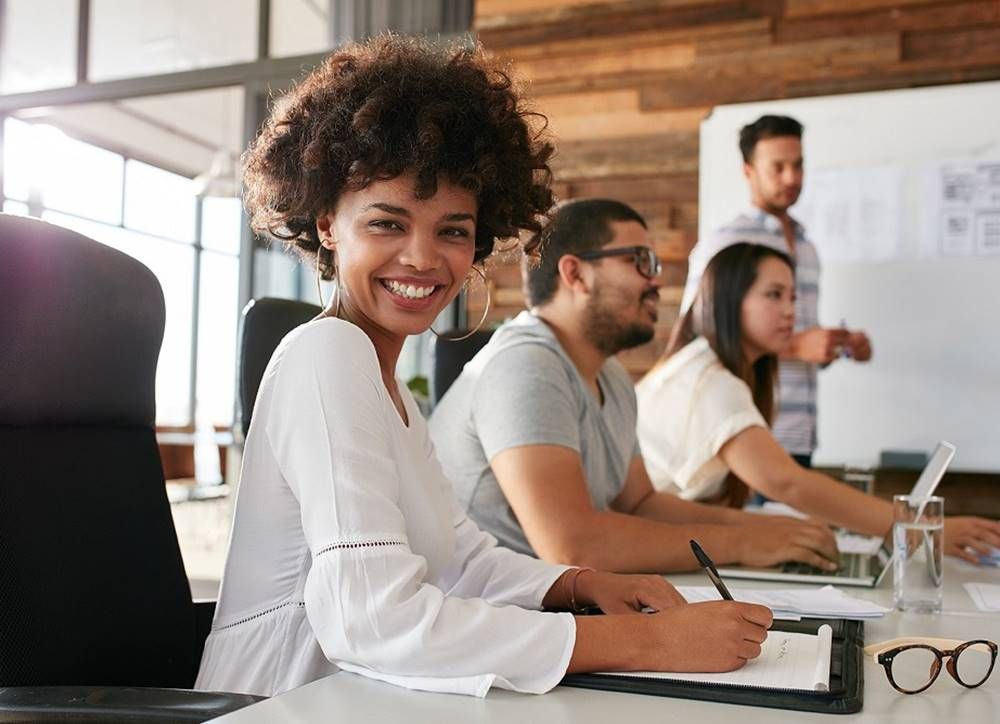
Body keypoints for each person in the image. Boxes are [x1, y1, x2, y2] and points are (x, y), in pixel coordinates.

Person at [195, 36, 773, 699]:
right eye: (387, 224)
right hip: (279, 702)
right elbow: (373, 620)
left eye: (452, 231)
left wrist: (580, 585)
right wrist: (651, 642)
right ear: (328, 224)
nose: (422, 258)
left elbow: (460, 557)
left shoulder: (390, 388)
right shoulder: (326, 354)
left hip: (362, 697)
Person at [429, 198, 839, 575]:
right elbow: (572, 547)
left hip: (550, 605)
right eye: (640, 261)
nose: (656, 281)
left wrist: (765, 529)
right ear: (576, 274)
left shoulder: (611, 377)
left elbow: (640, 504)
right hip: (491, 614)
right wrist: (743, 543)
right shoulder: (525, 365)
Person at [637, 242, 1000, 562]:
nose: (790, 311)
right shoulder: (711, 381)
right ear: (729, 301)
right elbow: (786, 482)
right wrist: (913, 526)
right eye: (774, 295)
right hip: (647, 547)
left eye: (793, 297)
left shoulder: (708, 367)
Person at [682, 115, 871, 469]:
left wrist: (834, 347)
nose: (792, 178)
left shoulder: (808, 248)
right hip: (745, 430)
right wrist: (796, 346)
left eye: (798, 165)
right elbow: (696, 333)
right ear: (748, 171)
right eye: (778, 167)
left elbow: (788, 334)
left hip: (801, 435)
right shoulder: (726, 243)